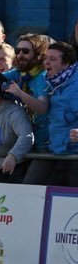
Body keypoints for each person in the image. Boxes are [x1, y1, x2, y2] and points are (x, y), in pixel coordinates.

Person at [25, 42, 78, 186]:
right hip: (54, 150)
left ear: (66, 63)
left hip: (74, 156)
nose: (46, 62)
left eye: (53, 59)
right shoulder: (52, 81)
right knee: (29, 189)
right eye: (46, 58)